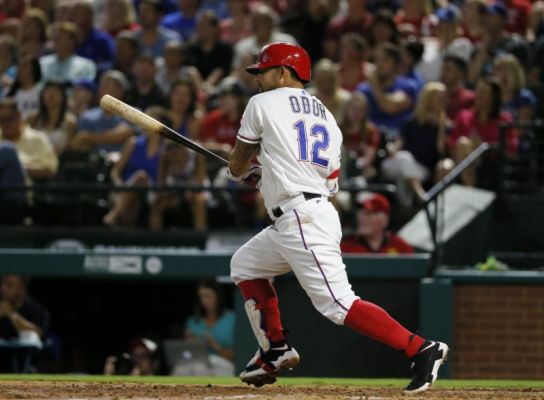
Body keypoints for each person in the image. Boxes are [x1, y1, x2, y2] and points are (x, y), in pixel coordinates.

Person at [227, 42, 448, 393]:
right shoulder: (327, 116)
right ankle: (275, 348)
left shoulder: (261, 103)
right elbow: (327, 182)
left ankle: (421, 348)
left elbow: (238, 160)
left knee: (338, 304)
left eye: (263, 71)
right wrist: (265, 175)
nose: (258, 79)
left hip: (299, 217)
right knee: (245, 265)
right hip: (312, 211)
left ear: (283, 72)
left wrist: (241, 170)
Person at [174, 279, 235, 376]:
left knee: (200, 368)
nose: (204, 301)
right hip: (195, 364)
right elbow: (185, 356)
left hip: (223, 365)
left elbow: (240, 356)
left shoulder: (233, 319)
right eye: (201, 297)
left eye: (207, 296)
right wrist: (189, 345)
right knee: (181, 369)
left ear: (218, 296)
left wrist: (215, 346)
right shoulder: (192, 322)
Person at [341, 193, 414, 254]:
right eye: (361, 213)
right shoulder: (345, 248)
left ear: (385, 219)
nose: (362, 218)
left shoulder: (401, 248)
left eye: (369, 214)